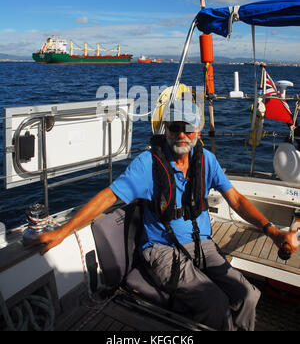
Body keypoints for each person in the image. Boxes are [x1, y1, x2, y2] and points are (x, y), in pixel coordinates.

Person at [37, 98, 299, 331]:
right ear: (166, 130)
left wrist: (273, 232)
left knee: (248, 296)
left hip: (202, 244)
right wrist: (63, 231)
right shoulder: (148, 164)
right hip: (161, 249)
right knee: (215, 304)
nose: (182, 135)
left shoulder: (206, 159)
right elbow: (109, 196)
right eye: (175, 128)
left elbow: (238, 200)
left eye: (188, 129)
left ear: (198, 131)